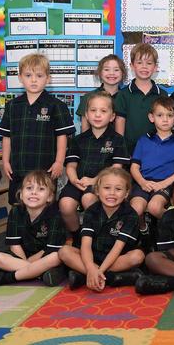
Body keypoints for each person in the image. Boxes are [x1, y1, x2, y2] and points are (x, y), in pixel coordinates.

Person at [0, 53, 75, 205]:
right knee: (18, 205)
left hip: (45, 168)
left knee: (45, 206)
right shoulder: (12, 105)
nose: (33, 80)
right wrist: (5, 161)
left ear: (48, 78)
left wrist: (59, 162)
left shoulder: (57, 105)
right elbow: (7, 137)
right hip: (18, 168)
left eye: (39, 75)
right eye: (28, 75)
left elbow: (62, 136)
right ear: (20, 78)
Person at [0, 171, 66, 287]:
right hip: (22, 256)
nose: (34, 192)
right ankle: (40, 274)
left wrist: (24, 265)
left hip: (45, 257)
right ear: (21, 194)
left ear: (50, 197)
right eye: (29, 188)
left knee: (56, 257)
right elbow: (15, 245)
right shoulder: (16, 212)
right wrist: (28, 266)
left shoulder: (54, 215)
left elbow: (49, 250)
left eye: (41, 189)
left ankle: (6, 277)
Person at [58, 167, 145, 291]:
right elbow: (86, 245)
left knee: (138, 256)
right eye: (107, 188)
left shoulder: (131, 215)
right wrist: (90, 267)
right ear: (97, 191)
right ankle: (109, 277)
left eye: (118, 189)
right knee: (64, 252)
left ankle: (87, 276)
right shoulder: (91, 211)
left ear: (126, 193)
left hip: (117, 258)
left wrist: (98, 270)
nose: (112, 193)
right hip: (92, 256)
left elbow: (117, 248)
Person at [59, 91, 129, 238]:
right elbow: (71, 166)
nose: (97, 115)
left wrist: (94, 181)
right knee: (65, 205)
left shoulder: (117, 140)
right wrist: (73, 180)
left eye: (103, 111)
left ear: (112, 116)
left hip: (103, 184)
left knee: (88, 199)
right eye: (93, 110)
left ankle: (98, 237)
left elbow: (116, 168)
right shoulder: (79, 140)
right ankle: (78, 236)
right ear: (87, 114)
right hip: (78, 182)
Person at [129, 96, 174, 237]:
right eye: (160, 115)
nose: (165, 119)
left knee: (154, 207)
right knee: (136, 209)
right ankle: (144, 231)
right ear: (151, 117)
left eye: (169, 115)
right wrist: (142, 182)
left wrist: (163, 184)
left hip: (168, 184)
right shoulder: (143, 140)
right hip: (144, 183)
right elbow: (134, 167)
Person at [115, 43, 168, 153]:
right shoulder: (123, 94)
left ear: (155, 67)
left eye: (149, 63)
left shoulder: (162, 94)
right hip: (129, 152)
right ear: (132, 66)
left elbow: (165, 123)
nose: (144, 67)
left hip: (156, 150)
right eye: (139, 63)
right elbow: (120, 121)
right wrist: (121, 150)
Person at [76, 54, 126, 132]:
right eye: (106, 69)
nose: (111, 73)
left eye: (116, 70)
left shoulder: (126, 97)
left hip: (120, 143)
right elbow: (84, 130)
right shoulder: (89, 97)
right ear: (100, 73)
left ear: (123, 73)